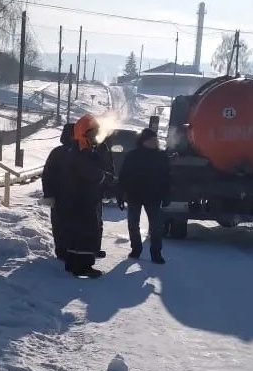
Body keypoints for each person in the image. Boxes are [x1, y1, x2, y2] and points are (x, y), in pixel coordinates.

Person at [58, 115, 114, 278]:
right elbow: (88, 172)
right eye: (94, 132)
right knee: (86, 233)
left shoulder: (79, 149)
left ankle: (72, 263)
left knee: (76, 233)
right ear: (85, 133)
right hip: (83, 199)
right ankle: (83, 267)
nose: (97, 135)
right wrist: (104, 177)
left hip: (77, 199)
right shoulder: (82, 151)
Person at [116, 127, 171, 264]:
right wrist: (120, 194)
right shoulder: (132, 156)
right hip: (134, 195)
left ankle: (156, 253)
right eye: (151, 140)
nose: (154, 142)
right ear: (143, 141)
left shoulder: (161, 156)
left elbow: (167, 177)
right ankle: (136, 249)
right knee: (133, 224)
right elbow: (123, 176)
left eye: (155, 139)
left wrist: (167, 195)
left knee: (156, 226)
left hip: (154, 196)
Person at [41, 123, 77, 260]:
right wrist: (48, 195)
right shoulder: (58, 153)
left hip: (71, 196)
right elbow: (47, 175)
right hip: (60, 196)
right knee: (60, 224)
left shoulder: (80, 151)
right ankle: (63, 252)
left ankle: (68, 251)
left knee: (67, 225)